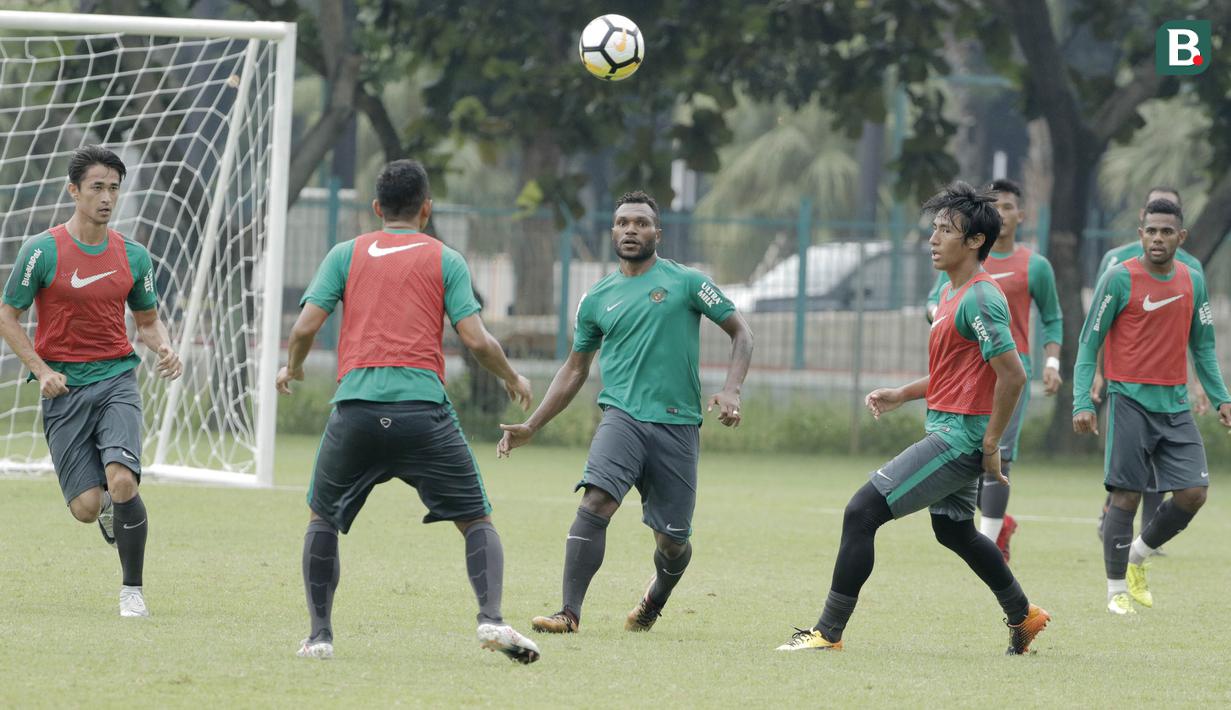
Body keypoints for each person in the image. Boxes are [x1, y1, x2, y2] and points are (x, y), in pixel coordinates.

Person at [276, 159, 541, 663]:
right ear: (426, 209)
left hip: (354, 410)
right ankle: (491, 620)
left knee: (322, 519)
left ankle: (320, 637)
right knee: (477, 521)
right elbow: (476, 339)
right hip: (423, 413)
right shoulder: (445, 258)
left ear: (376, 208)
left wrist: (292, 368)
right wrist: (511, 377)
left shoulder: (345, 254)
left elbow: (305, 328)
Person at [777, 181, 1049, 655]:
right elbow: (958, 372)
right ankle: (1024, 616)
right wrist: (904, 393)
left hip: (959, 440)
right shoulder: (950, 292)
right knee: (955, 532)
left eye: (946, 230)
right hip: (949, 428)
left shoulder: (980, 298)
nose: (933, 238)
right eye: (934, 228)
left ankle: (828, 632)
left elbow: (1014, 375)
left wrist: (990, 445)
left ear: (975, 241)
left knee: (861, 512)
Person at [496, 190, 753, 635]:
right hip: (622, 417)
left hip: (677, 425)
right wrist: (532, 424)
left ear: (658, 232)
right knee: (595, 500)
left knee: (673, 542)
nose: (630, 229)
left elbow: (741, 333)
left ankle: (654, 600)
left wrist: (731, 389)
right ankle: (568, 613)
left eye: (640, 222)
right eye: (622, 222)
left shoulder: (688, 282)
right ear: (612, 231)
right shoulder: (596, 299)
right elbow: (575, 368)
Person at [0, 145, 182, 618]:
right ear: (74, 190)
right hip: (63, 387)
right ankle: (104, 509)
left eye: (114, 188)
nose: (106, 197)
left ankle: (132, 591)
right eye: (97, 187)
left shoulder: (134, 256)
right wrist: (41, 370)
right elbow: (7, 316)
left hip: (117, 377)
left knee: (122, 480)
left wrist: (163, 346)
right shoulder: (40, 250)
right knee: (85, 506)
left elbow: (146, 322)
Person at [1072, 198, 1230, 616]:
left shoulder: (1193, 280)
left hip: (1175, 404)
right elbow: (1089, 342)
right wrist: (1081, 400)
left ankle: (1138, 554)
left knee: (1194, 493)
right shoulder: (1118, 279)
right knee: (1126, 496)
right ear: (1140, 234)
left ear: (1181, 237)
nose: (1158, 238)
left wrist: (1222, 398)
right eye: (1151, 231)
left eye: (1166, 232)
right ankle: (1115, 591)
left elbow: (1204, 347)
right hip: (1128, 401)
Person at [925, 178, 1061, 562]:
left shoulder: (1035, 266)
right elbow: (933, 303)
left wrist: (1052, 361)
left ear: (1020, 215)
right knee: (972, 456)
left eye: (1007, 207)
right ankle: (997, 525)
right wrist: (945, 317)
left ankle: (989, 543)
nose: (1000, 213)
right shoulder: (958, 259)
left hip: (1008, 370)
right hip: (965, 371)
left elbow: (1052, 317)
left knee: (999, 454)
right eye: (994, 206)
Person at [1093, 187, 1208, 544]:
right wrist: (1097, 372)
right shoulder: (1115, 263)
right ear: (1142, 220)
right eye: (1152, 226)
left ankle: (1142, 538)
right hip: (1124, 380)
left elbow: (1189, 335)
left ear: (1179, 226)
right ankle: (1116, 517)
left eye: (1169, 221)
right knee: (1129, 471)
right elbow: (1099, 325)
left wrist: (1199, 383)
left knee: (1165, 471)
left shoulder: (1190, 270)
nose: (1159, 235)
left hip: (1168, 387)